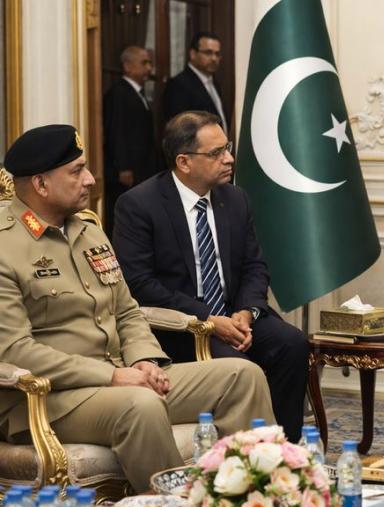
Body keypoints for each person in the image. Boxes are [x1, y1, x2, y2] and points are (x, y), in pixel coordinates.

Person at [0, 124, 274, 492]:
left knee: (242, 377)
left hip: (121, 375)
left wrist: (144, 359)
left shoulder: (88, 231)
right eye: (77, 171)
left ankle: (255, 501)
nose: (90, 179)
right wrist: (112, 376)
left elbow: (127, 311)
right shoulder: (6, 246)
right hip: (51, 399)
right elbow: (15, 350)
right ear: (41, 184)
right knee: (140, 405)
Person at [113, 111, 308, 441]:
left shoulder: (235, 198)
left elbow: (254, 266)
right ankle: (239, 454)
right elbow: (140, 284)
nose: (229, 159)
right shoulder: (139, 205)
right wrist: (208, 320)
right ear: (184, 162)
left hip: (235, 313)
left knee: (292, 344)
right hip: (182, 325)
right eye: (216, 153)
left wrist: (246, 312)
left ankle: (282, 449)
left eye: (227, 148)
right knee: (237, 365)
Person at [103, 45, 160, 234]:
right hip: (128, 173)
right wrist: (123, 168)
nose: (149, 68)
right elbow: (116, 131)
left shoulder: (137, 92)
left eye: (150, 63)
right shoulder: (119, 92)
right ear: (127, 66)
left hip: (142, 169)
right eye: (144, 63)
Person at [162, 31, 228, 133]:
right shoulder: (178, 85)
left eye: (217, 54)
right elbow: (179, 129)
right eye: (208, 53)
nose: (214, 58)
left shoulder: (215, 84)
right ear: (193, 54)